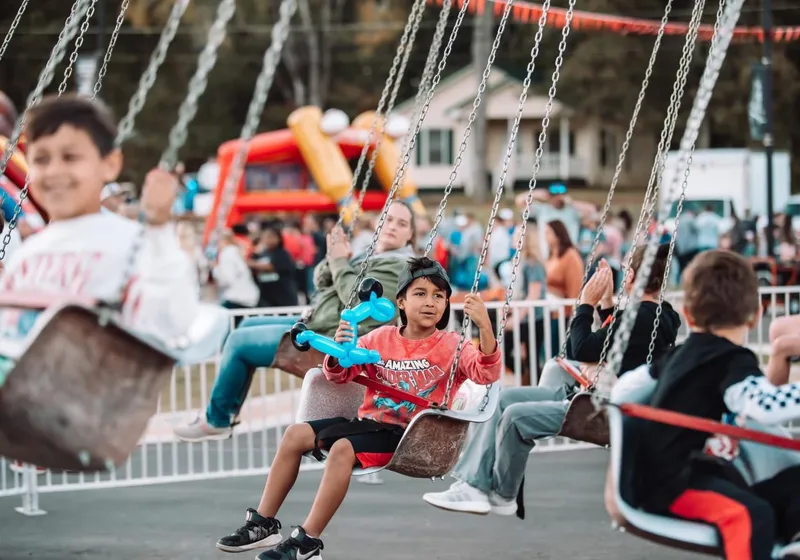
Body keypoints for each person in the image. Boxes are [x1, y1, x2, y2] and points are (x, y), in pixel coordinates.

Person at [214, 257, 502, 558]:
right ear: (400, 301)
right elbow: (339, 375)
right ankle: (264, 524)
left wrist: (484, 327)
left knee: (341, 448)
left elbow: (486, 374)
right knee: (295, 435)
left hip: (411, 435)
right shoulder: (381, 338)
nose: (430, 302)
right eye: (420, 293)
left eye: (438, 296)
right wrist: (340, 352)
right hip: (368, 423)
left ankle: (307, 541)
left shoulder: (452, 345)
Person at [422, 244, 680, 516]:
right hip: (594, 394)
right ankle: (472, 484)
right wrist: (605, 305)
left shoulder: (639, 318)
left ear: (629, 276)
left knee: (515, 416)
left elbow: (580, 349)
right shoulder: (663, 315)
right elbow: (620, 344)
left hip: (602, 407)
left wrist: (585, 305)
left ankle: (498, 492)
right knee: (500, 398)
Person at [174, 201, 417, 441]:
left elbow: (355, 303)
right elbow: (322, 283)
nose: (392, 226)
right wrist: (334, 257)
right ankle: (225, 413)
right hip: (320, 322)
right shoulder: (369, 254)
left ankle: (217, 420)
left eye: (402, 223)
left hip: (337, 342)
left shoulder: (399, 266)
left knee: (239, 341)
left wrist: (339, 262)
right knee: (245, 326)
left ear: (410, 234)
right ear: (377, 223)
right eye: (388, 219)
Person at [0, 93, 199, 358]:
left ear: (110, 164)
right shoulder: (29, 254)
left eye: (70, 157)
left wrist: (160, 227)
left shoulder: (133, 243)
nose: (54, 171)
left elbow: (174, 320)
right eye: (41, 160)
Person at [636, 250, 800, 560]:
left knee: (794, 482)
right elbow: (763, 404)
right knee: (751, 516)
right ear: (755, 315)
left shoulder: (678, 355)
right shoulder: (731, 359)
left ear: (687, 314)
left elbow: (629, 386)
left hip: (698, 471)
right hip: (676, 483)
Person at [213, 229, 260, 312]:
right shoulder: (235, 252)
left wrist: (215, 270)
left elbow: (227, 279)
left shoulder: (226, 254)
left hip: (237, 299)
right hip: (247, 299)